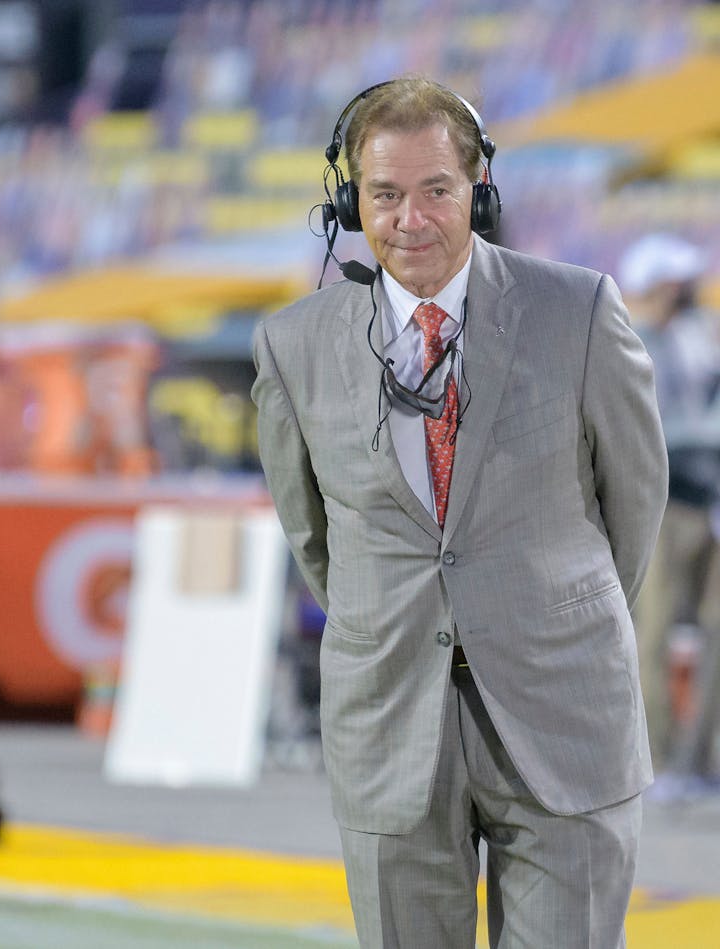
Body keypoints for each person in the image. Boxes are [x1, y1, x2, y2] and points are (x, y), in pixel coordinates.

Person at [251, 76, 666, 948]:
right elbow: (315, 540)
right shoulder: (291, 347)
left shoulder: (580, 310)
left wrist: (547, 615)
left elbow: (634, 506)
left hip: (564, 713)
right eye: (385, 194)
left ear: (478, 187)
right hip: (391, 721)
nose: (411, 218)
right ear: (348, 202)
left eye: (436, 189)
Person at [621, 232, 720, 803]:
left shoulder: (695, 338)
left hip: (708, 499)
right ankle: (656, 760)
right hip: (661, 505)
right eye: (677, 280)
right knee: (652, 633)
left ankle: (701, 757)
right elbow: (658, 428)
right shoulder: (630, 342)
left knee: (712, 631)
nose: (688, 289)